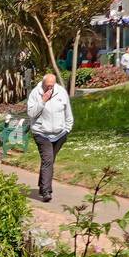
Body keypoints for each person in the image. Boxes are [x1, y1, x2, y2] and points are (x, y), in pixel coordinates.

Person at [26, 73, 73, 202]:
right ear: (43, 84)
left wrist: (67, 128)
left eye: (52, 86)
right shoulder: (36, 93)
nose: (49, 89)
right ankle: (47, 191)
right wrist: (43, 101)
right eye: (47, 86)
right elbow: (31, 113)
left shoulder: (61, 92)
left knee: (49, 161)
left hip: (59, 134)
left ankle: (42, 186)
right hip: (41, 133)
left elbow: (67, 112)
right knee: (48, 159)